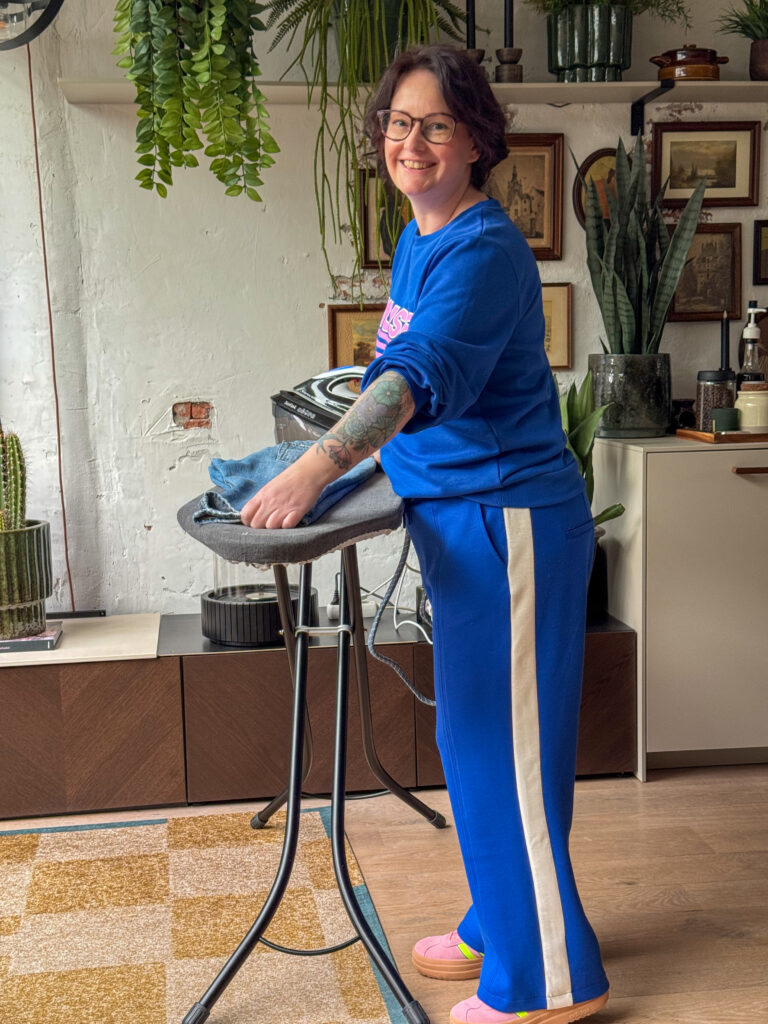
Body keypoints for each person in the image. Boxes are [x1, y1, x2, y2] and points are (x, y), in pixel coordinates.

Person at [240, 44, 609, 1024]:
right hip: (461, 523)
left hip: (509, 523)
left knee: (505, 748)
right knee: (480, 738)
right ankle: (504, 918)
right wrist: (343, 457)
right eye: (399, 123)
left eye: (435, 123)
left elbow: (416, 376)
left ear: (477, 138)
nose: (413, 140)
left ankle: (542, 985)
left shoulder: (484, 251)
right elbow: (390, 368)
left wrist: (317, 466)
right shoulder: (422, 239)